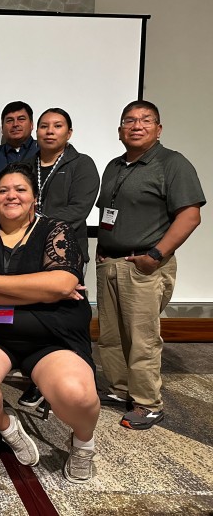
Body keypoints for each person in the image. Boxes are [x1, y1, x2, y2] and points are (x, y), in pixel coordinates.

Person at [0, 162, 99, 484]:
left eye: (20, 190)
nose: (11, 196)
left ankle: (84, 442)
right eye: (3, 190)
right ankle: (7, 426)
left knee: (78, 395)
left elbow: (61, 283)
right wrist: (42, 292)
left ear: (34, 199)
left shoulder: (56, 231)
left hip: (51, 338)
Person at [96, 100, 205, 430]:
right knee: (111, 337)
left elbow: (190, 216)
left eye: (146, 120)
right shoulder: (114, 166)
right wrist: (103, 252)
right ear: (119, 131)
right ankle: (119, 390)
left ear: (158, 129)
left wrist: (155, 256)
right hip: (111, 263)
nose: (137, 125)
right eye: (129, 120)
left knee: (142, 339)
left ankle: (147, 403)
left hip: (144, 265)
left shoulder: (172, 164)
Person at [17, 108, 99, 409]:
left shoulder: (82, 165)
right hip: (29, 251)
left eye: (57, 126)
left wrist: (35, 222)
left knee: (64, 312)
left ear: (69, 132)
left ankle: (72, 378)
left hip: (66, 253)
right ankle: (39, 377)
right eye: (44, 126)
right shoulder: (27, 165)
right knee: (35, 311)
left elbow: (78, 211)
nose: (49, 131)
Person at [0, 101, 39, 175]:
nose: (15, 124)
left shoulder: (44, 151)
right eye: (9, 120)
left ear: (31, 125)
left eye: (21, 119)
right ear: (2, 128)